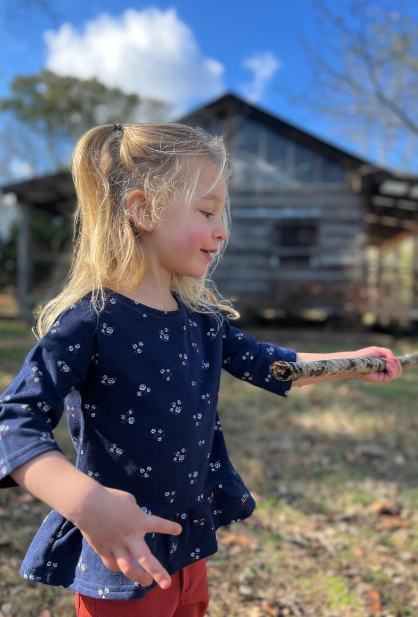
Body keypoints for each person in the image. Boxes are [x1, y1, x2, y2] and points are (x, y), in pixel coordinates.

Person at [0, 123, 402, 617]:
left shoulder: (202, 323)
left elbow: (274, 364)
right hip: (125, 562)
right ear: (143, 210)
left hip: (189, 547)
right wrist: (84, 503)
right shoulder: (91, 321)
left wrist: (351, 364)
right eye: (207, 211)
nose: (222, 230)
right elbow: (14, 423)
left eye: (221, 214)